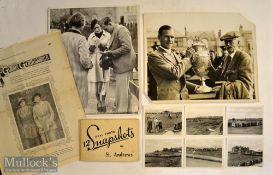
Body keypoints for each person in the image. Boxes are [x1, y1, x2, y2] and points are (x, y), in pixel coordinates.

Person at [147, 25, 197, 100]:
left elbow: (178, 81)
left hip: (184, 99)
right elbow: (174, 74)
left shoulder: (175, 54)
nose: (170, 40)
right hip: (168, 100)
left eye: (172, 37)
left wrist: (196, 87)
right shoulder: (154, 56)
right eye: (166, 37)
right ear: (159, 37)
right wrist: (187, 58)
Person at [99, 17, 137, 113]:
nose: (106, 31)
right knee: (125, 89)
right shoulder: (115, 31)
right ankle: (128, 110)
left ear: (110, 23)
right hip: (122, 64)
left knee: (121, 90)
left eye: (106, 29)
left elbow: (127, 47)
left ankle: (121, 111)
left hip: (124, 65)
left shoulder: (121, 30)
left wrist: (111, 53)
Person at [208, 31, 253, 99]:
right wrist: (208, 65)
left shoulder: (244, 58)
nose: (228, 44)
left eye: (230, 41)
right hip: (228, 98)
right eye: (226, 42)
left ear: (238, 42)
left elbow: (246, 84)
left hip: (240, 100)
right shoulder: (226, 58)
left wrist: (223, 88)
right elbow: (216, 77)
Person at [62, 12, 93, 110]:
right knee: (79, 107)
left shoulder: (61, 36)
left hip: (64, 77)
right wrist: (90, 64)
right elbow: (85, 61)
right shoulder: (81, 39)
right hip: (78, 78)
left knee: (67, 106)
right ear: (82, 25)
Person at [87, 19, 111, 112]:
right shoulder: (91, 36)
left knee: (104, 81)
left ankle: (104, 101)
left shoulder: (107, 35)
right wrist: (91, 49)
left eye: (97, 27)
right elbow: (87, 50)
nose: (96, 29)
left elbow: (110, 47)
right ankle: (98, 101)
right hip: (94, 62)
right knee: (96, 82)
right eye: (94, 28)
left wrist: (103, 47)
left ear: (101, 26)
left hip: (104, 60)